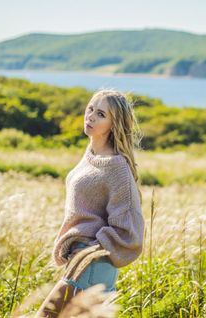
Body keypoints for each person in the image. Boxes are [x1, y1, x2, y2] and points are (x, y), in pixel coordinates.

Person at [35, 89, 145, 317]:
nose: (91, 116)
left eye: (101, 114)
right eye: (90, 109)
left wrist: (90, 249)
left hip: (92, 264)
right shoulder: (91, 155)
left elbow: (129, 229)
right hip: (81, 260)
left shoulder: (117, 168)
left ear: (115, 125)